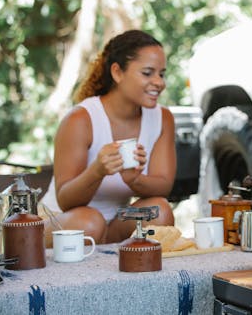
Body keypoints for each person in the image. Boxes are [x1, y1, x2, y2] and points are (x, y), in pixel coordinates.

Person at [41, 29, 176, 247]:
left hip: (115, 222)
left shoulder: (163, 118)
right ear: (117, 72)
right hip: (63, 222)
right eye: (148, 73)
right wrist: (97, 170)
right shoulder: (81, 119)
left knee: (159, 212)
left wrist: (134, 179)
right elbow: (65, 200)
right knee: (90, 223)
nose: (159, 82)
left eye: (161, 74)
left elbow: (163, 187)